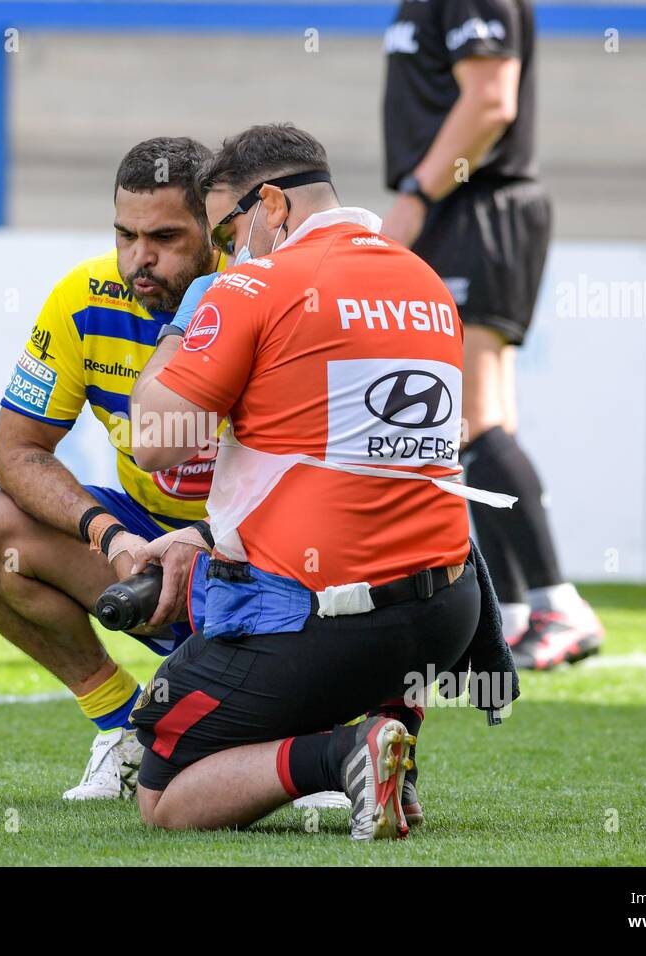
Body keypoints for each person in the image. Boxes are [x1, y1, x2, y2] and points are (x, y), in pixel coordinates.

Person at [125, 124, 515, 839]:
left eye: (226, 232)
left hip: (332, 625)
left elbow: (154, 441)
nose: (224, 252)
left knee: (163, 789)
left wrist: (186, 324)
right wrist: (210, 536)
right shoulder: (419, 277)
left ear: (270, 205)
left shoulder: (253, 283)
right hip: (447, 615)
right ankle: (392, 728)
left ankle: (347, 755)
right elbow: (348, 461)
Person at [0, 138, 224, 800]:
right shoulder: (83, 298)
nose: (138, 260)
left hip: (254, 553)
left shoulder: (256, 293)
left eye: (164, 238)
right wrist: (111, 537)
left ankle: (315, 735)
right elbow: (17, 451)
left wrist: (209, 544)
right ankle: (122, 724)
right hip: (142, 543)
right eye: (125, 235)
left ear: (214, 227)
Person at [380, 0, 604, 668]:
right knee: (477, 420)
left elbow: (491, 102)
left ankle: (556, 603)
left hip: (475, 207)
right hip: (467, 208)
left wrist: (417, 194)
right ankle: (511, 609)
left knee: (472, 417)